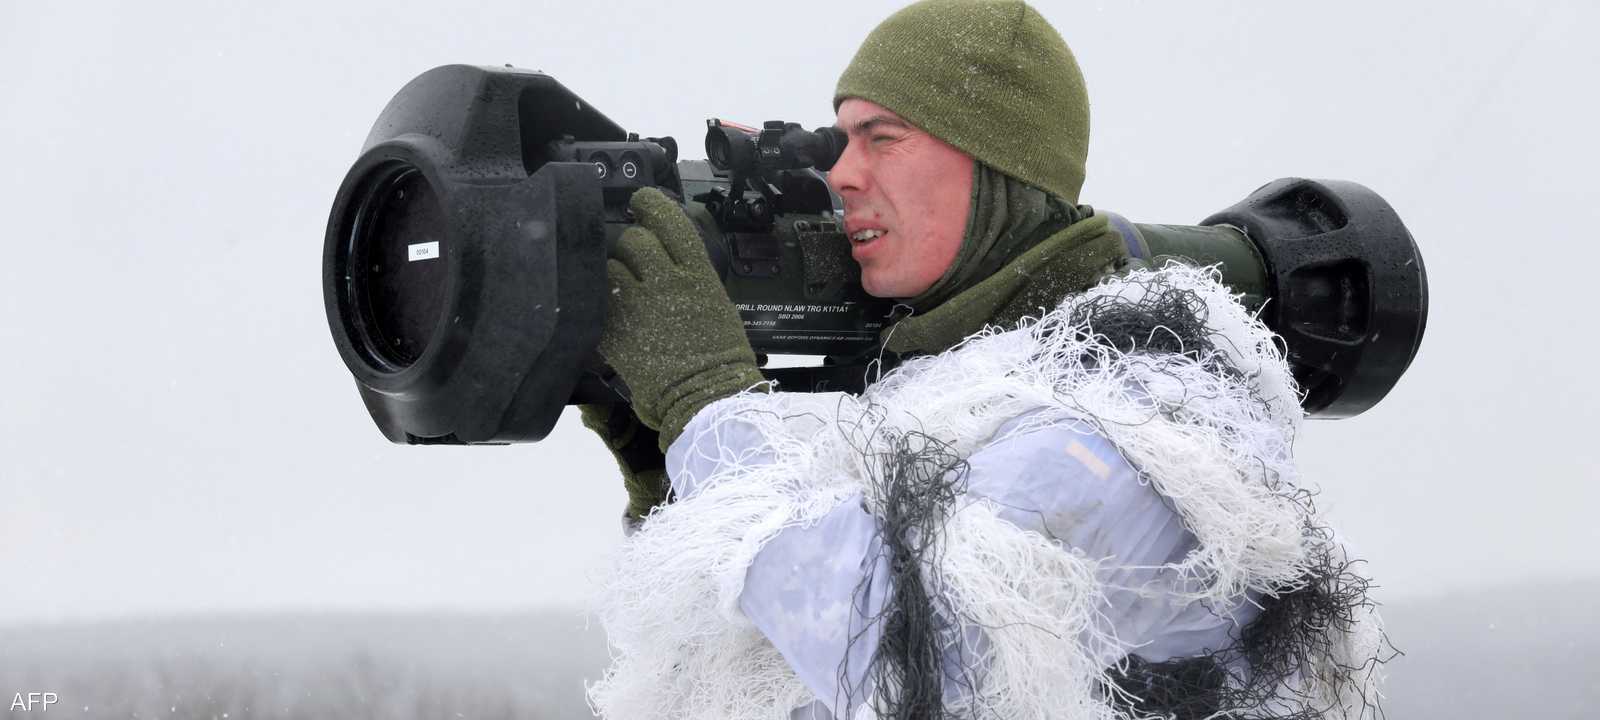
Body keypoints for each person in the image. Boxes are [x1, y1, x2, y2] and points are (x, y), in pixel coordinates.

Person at [580, 2, 1389, 718]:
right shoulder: (952, 397)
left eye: (882, 139)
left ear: (999, 167)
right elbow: (782, 676)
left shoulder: (1140, 413)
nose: (842, 176)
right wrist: (674, 478)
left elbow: (905, 664)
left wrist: (709, 404)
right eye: (842, 139)